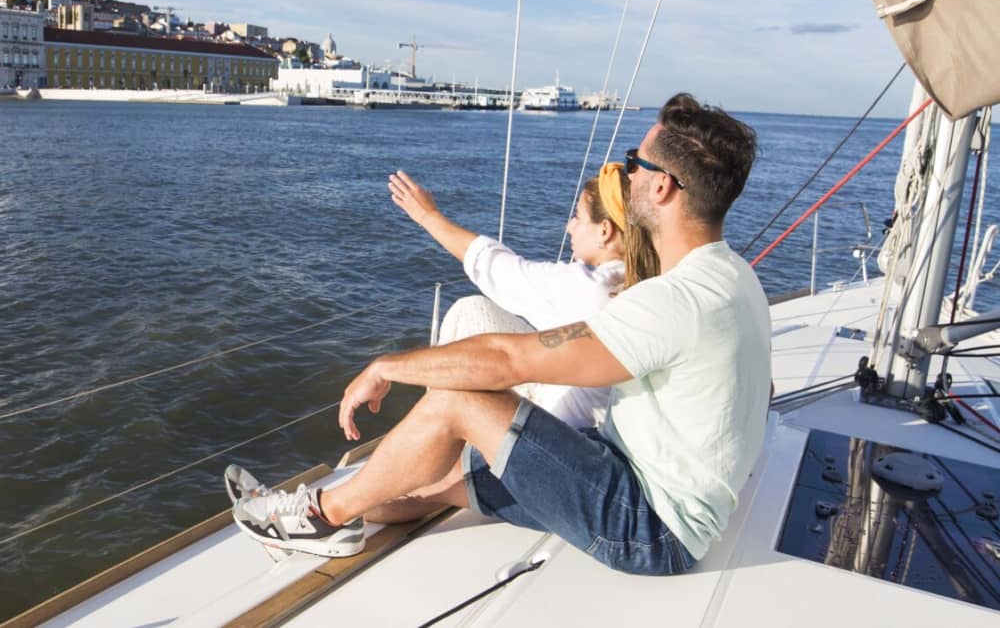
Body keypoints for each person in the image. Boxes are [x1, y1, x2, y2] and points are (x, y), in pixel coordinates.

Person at [232, 93, 771, 575]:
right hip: (629, 479)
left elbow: (509, 359)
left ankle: (319, 520)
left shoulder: (671, 301)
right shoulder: (732, 276)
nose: (624, 174)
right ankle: (319, 509)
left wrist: (384, 367)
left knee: (458, 402)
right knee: (445, 489)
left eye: (635, 163)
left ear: (662, 186)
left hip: (647, 528)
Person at [386, 165, 656, 428]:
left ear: (605, 231)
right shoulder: (649, 280)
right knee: (473, 307)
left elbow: (498, 269)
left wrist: (428, 216)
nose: (569, 227)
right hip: (602, 418)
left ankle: (438, 433)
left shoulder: (591, 289)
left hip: (568, 433)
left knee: (467, 320)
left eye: (578, 217)